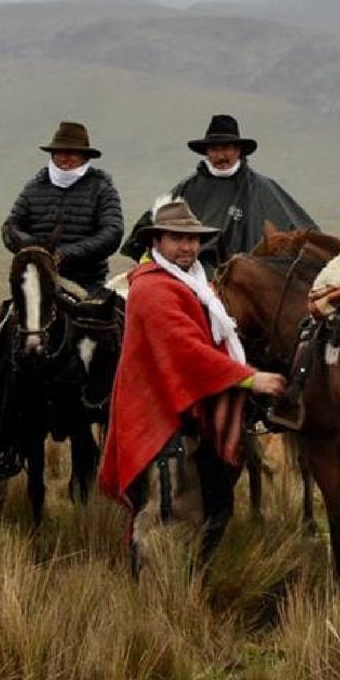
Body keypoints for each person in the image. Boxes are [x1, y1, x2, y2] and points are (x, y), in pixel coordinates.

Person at [99, 199, 287, 558]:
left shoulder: (196, 283)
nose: (188, 247)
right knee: (169, 514)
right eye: (177, 238)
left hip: (189, 410)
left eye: (193, 239)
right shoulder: (151, 288)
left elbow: (214, 339)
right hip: (160, 417)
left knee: (210, 510)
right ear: (157, 242)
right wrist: (249, 379)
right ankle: (162, 597)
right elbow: (183, 349)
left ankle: (187, 586)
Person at [125, 114, 318, 263]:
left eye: (226, 148)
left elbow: (304, 233)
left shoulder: (263, 189)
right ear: (207, 152)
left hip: (250, 281)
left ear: (238, 150)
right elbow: (150, 226)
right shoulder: (188, 188)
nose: (220, 156)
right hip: (193, 272)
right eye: (214, 149)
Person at [2, 121, 123, 292]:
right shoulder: (34, 187)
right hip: (36, 279)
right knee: (6, 317)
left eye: (72, 153)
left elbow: (112, 233)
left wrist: (66, 253)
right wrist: (33, 249)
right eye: (59, 152)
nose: (65, 157)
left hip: (86, 282)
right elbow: (10, 227)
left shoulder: (101, 189)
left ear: (85, 157)